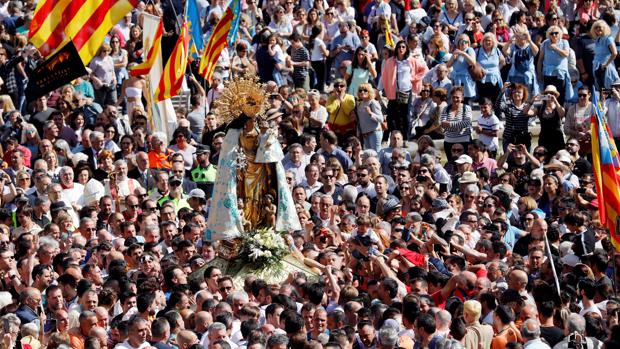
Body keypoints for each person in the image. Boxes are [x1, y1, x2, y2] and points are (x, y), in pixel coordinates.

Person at [381, 40, 428, 139]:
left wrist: (414, 78)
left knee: (406, 115)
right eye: (399, 47)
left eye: (403, 47)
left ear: (406, 49)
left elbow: (424, 69)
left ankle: (406, 137)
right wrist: (386, 89)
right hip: (394, 92)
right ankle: (394, 135)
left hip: (406, 91)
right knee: (391, 115)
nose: (401, 49)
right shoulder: (390, 61)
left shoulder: (411, 60)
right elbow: (385, 76)